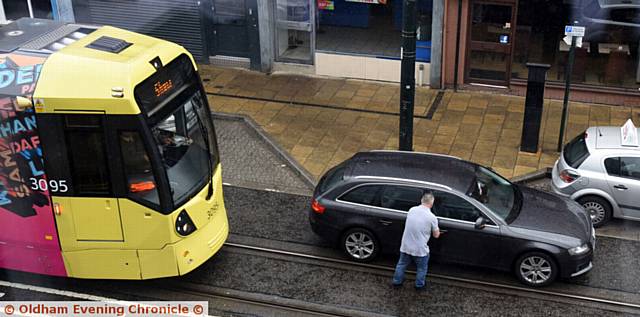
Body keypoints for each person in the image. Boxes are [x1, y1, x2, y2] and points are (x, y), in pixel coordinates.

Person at [392, 192, 441, 291]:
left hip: (405, 246)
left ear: (421, 200)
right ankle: (419, 285)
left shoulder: (412, 210)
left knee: (401, 264)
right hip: (420, 250)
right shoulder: (432, 217)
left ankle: (397, 283)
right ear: (432, 203)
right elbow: (436, 235)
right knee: (421, 268)